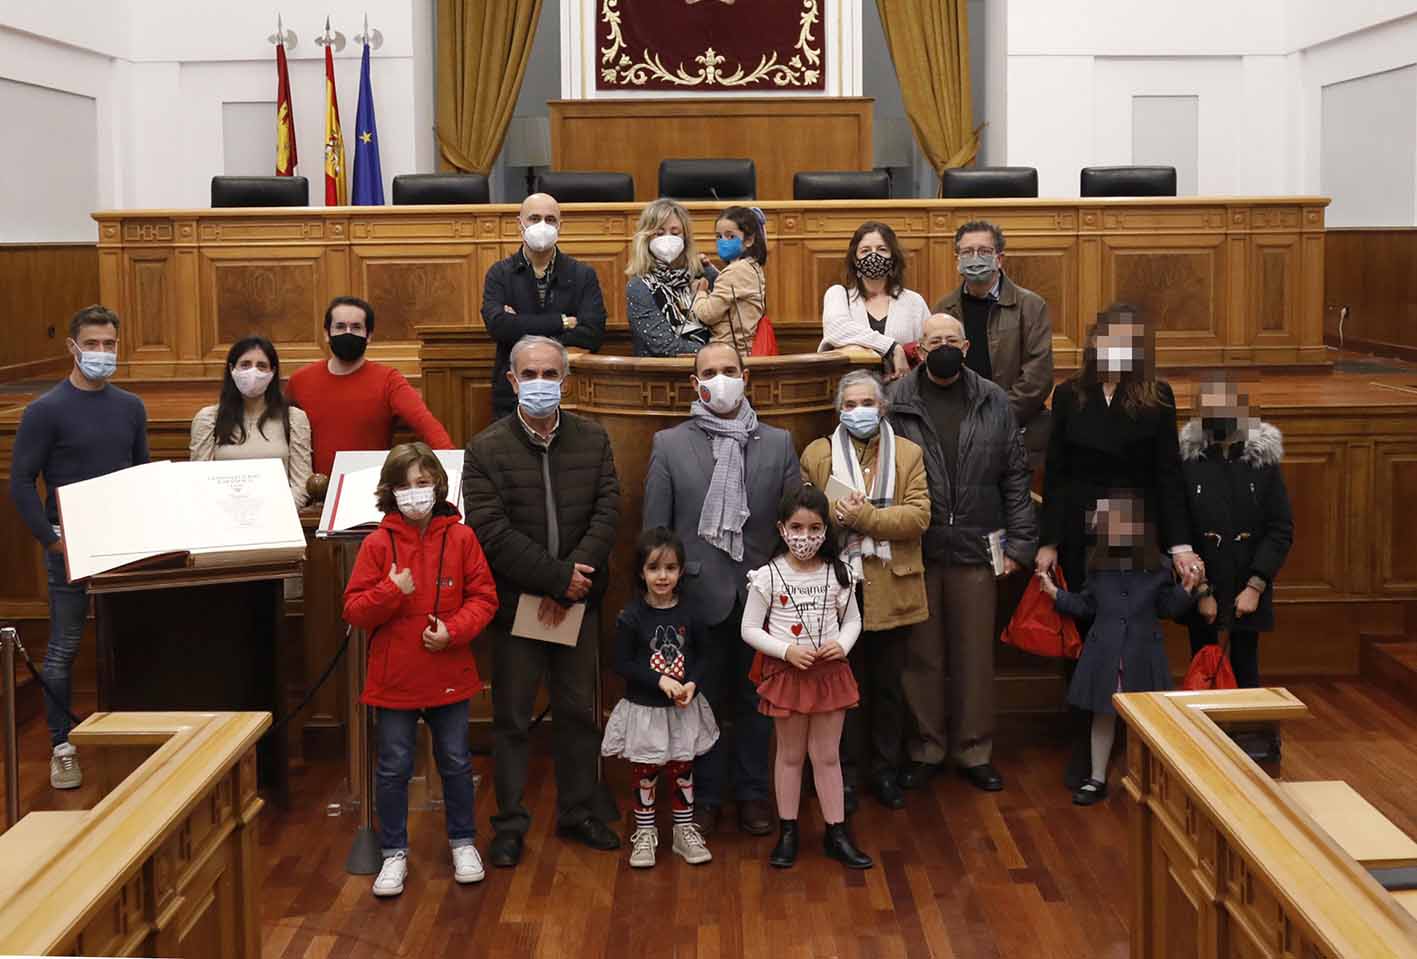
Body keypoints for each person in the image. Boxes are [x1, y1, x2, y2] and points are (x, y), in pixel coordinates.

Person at [462, 335, 621, 867]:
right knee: (511, 719)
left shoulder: (593, 439)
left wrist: (574, 583)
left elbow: (607, 512)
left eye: (550, 375)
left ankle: (578, 811)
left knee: (579, 712)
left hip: (577, 603)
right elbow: (490, 531)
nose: (540, 384)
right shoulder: (486, 449)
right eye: (529, 375)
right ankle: (508, 824)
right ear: (511, 381)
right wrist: (556, 579)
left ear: (565, 381)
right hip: (519, 606)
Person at [1035, 305, 1204, 789]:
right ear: (1093, 344)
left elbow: (1169, 475)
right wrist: (1048, 541)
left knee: (1133, 632)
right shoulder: (1070, 395)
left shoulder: (1157, 396)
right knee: (1085, 636)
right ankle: (1086, 742)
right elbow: (1058, 471)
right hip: (1080, 532)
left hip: (1137, 535)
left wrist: (1180, 545)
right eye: (1107, 340)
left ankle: (1134, 742)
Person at [641, 341, 800, 837]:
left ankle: (753, 794)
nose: (720, 378)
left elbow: (794, 526)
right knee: (700, 703)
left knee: (756, 704)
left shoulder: (779, 443)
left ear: (745, 376)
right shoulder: (669, 444)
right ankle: (705, 797)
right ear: (695, 384)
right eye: (709, 372)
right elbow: (656, 532)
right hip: (694, 600)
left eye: (729, 369)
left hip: (762, 599)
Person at [887, 313, 1037, 793]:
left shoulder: (993, 399)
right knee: (922, 657)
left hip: (978, 546)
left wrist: (1020, 544)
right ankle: (926, 749)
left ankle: (975, 751)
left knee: (974, 656)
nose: (944, 346)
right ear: (919, 348)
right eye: (935, 341)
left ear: (967, 347)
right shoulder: (897, 401)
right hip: (918, 547)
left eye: (952, 339)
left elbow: (1016, 477)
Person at [342, 443, 499, 896]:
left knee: (455, 761)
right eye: (405, 486)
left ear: (438, 485)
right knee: (392, 767)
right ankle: (393, 853)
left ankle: (463, 842)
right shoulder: (376, 544)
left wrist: (453, 630)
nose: (415, 494)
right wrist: (391, 592)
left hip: (448, 670)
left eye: (423, 483)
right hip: (395, 680)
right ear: (390, 492)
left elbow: (484, 598)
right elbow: (354, 610)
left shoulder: (462, 538)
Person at [9, 305, 148, 789]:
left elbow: (140, 475)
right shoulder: (46, 409)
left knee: (134, 640)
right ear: (72, 346)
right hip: (70, 544)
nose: (102, 353)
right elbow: (22, 482)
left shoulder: (130, 406)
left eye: (109, 344)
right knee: (64, 647)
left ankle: (137, 736)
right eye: (92, 344)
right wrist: (52, 542)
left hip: (125, 545)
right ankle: (61, 744)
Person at [799, 371, 930, 811]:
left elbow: (917, 518)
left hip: (894, 589)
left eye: (867, 403)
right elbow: (807, 517)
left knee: (890, 688)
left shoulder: (909, 454)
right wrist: (837, 515)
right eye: (850, 404)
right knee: (842, 690)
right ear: (839, 410)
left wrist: (864, 519)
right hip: (840, 592)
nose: (859, 412)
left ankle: (885, 772)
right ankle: (846, 774)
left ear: (883, 407)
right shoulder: (819, 455)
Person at [742, 486, 872, 870]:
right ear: (782, 529)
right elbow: (749, 628)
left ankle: (837, 832)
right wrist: (785, 651)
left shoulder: (840, 573)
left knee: (827, 756)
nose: (805, 536)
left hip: (830, 675)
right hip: (789, 674)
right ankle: (788, 831)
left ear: (825, 529)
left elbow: (853, 620)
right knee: (790, 755)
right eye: (796, 527)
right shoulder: (767, 575)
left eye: (814, 527)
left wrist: (843, 644)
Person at [1039, 492, 1199, 804]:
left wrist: (1188, 590)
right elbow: (1087, 605)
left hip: (1142, 654)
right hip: (1105, 654)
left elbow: (1167, 607)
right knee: (1102, 716)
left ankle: (1150, 783)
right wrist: (1055, 593)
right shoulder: (1097, 566)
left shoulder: (1159, 567)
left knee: (1146, 724)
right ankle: (1097, 778)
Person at [601, 527, 719, 868]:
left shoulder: (692, 612)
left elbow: (705, 656)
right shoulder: (631, 616)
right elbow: (621, 662)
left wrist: (692, 684)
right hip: (645, 709)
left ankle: (683, 831)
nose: (662, 576)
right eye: (654, 568)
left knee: (683, 768)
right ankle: (646, 831)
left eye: (670, 568)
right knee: (646, 770)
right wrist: (660, 681)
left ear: (681, 571)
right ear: (641, 572)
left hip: (684, 708)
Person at [1179, 378, 1294, 690]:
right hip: (1200, 587)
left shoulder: (1263, 462)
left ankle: (1247, 738)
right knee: (1201, 674)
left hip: (1248, 589)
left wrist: (1255, 587)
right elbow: (1179, 527)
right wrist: (1201, 590)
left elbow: (1280, 529)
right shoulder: (1188, 462)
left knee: (1245, 673)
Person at [287, 296, 453, 477]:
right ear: (327, 333)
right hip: (314, 494)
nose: (348, 333)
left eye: (356, 327)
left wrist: (453, 467)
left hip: (369, 487)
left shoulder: (389, 380)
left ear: (369, 336)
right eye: (340, 327)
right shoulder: (300, 381)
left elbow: (426, 424)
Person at [933, 220, 1054, 462]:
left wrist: (995, 418)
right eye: (967, 252)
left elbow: (1037, 377)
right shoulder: (943, 308)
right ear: (957, 260)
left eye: (984, 251)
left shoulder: (1030, 305)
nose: (975, 257)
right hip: (959, 427)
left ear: (999, 259)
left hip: (1016, 426)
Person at [481, 192, 607, 418]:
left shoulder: (582, 274)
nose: (542, 225)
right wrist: (562, 322)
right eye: (534, 218)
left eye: (550, 220)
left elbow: (592, 333)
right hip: (511, 392)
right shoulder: (500, 274)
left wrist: (520, 325)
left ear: (560, 226)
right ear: (520, 225)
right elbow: (499, 326)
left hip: (568, 392)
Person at [190, 336, 312, 506]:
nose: (253, 372)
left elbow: (302, 484)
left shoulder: (294, 418)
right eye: (245, 365)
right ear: (232, 369)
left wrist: (278, 512)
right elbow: (200, 483)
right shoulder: (208, 419)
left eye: (261, 366)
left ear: (273, 372)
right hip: (224, 518)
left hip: (280, 518)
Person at [818, 221, 930, 381]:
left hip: (902, 393)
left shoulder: (913, 301)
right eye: (865, 251)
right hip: (854, 393)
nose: (873, 256)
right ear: (855, 260)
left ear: (893, 258)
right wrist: (892, 347)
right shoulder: (838, 294)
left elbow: (926, 349)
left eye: (882, 249)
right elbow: (836, 330)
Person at [627, 198, 718, 356]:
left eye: (675, 233)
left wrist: (715, 272)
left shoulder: (704, 273)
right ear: (646, 238)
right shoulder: (639, 286)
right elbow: (664, 345)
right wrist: (718, 353)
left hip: (715, 367)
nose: (667, 239)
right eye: (659, 233)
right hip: (664, 372)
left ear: (685, 238)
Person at [690, 206, 767, 355]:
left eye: (730, 236)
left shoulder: (735, 271)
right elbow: (732, 291)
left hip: (729, 353)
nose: (723, 241)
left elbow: (707, 314)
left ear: (749, 240)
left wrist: (699, 293)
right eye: (718, 236)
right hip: (746, 350)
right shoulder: (752, 267)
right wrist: (709, 269)